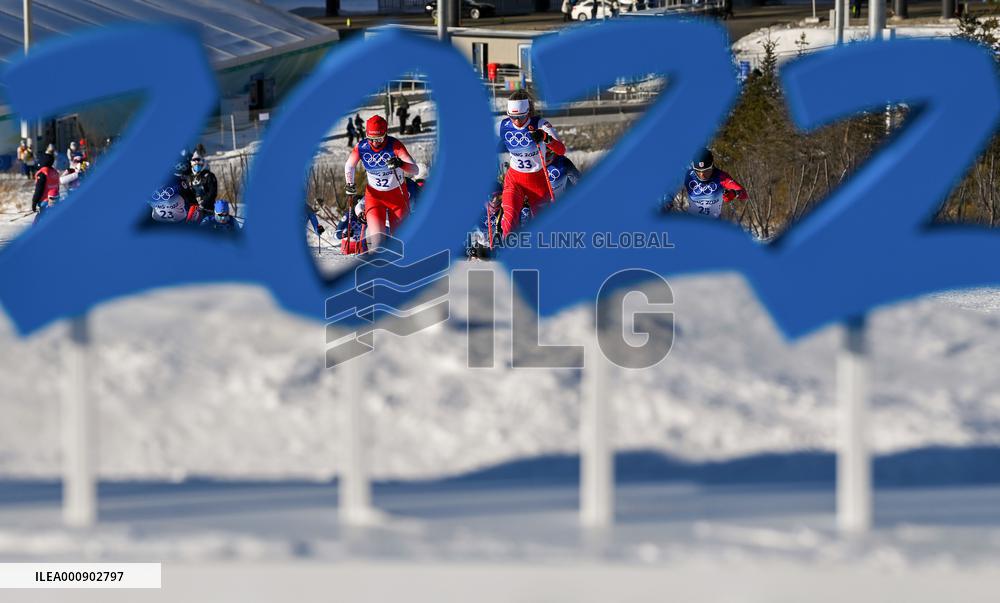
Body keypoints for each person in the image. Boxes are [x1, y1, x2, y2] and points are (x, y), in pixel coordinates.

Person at [496, 89, 566, 236]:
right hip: (515, 180)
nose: (516, 122)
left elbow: (561, 150)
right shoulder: (503, 126)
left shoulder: (541, 124)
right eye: (512, 117)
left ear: (527, 112)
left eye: (520, 118)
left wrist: (545, 138)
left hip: (538, 182)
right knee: (509, 220)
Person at [344, 115, 419, 249]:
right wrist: (350, 184)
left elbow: (415, 170)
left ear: (386, 134)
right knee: (377, 243)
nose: (375, 143)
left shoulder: (395, 145)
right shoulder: (361, 147)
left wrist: (400, 163)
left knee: (399, 241)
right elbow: (349, 166)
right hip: (375, 197)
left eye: (379, 138)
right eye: (371, 139)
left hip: (397, 198)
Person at [682, 148, 747, 218]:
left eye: (706, 171)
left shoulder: (721, 177)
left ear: (712, 166)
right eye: (698, 171)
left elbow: (744, 193)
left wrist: (734, 193)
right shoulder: (688, 176)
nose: (702, 175)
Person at [187, 152, 218, 221]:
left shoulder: (209, 176)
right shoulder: (189, 177)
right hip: (193, 209)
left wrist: (203, 204)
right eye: (195, 164)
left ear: (203, 164)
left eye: (199, 164)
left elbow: (212, 192)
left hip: (207, 209)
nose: (197, 166)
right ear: (192, 165)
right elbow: (188, 192)